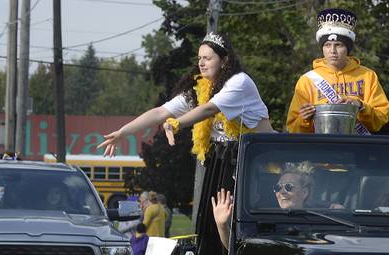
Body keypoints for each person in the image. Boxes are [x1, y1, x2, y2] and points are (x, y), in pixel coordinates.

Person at [98, 32, 272, 165]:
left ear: (224, 61)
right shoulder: (200, 90)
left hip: (260, 160)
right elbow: (160, 112)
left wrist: (176, 123)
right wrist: (123, 132)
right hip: (224, 163)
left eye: (208, 58)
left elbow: (209, 109)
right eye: (200, 58)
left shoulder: (239, 82)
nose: (201, 63)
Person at [287, 8, 389, 135]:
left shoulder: (368, 76)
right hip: (321, 149)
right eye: (327, 45)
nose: (332, 51)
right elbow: (293, 129)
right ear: (322, 48)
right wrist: (304, 119)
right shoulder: (307, 80)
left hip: (358, 149)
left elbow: (381, 119)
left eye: (339, 45)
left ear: (348, 48)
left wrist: (361, 106)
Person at [213, 162, 317, 250]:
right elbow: (239, 249)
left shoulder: (319, 220)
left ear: (304, 192)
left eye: (289, 187)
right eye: (278, 187)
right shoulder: (263, 220)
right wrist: (221, 224)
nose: (282, 192)